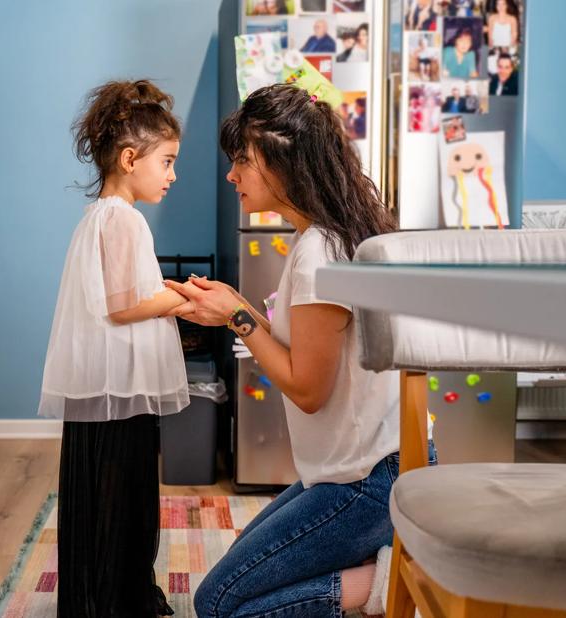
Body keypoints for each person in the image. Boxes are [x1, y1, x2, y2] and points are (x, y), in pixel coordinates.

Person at [166, 84, 437, 618]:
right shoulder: (328, 237)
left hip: (368, 483)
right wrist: (232, 308)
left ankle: (388, 583)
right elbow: (306, 348)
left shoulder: (319, 251)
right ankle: (379, 565)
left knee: (219, 603)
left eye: (242, 160)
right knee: (243, 575)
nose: (232, 175)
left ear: (280, 159)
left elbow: (309, 389)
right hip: (365, 471)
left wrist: (238, 317)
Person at [39, 79, 191, 618]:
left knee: (98, 486)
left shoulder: (98, 216)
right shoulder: (125, 220)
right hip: (120, 386)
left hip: (102, 383)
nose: (173, 175)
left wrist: (166, 296)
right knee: (122, 487)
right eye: (167, 162)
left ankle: (98, 592)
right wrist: (178, 299)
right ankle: (119, 595)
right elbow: (125, 306)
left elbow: (115, 298)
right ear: (131, 158)